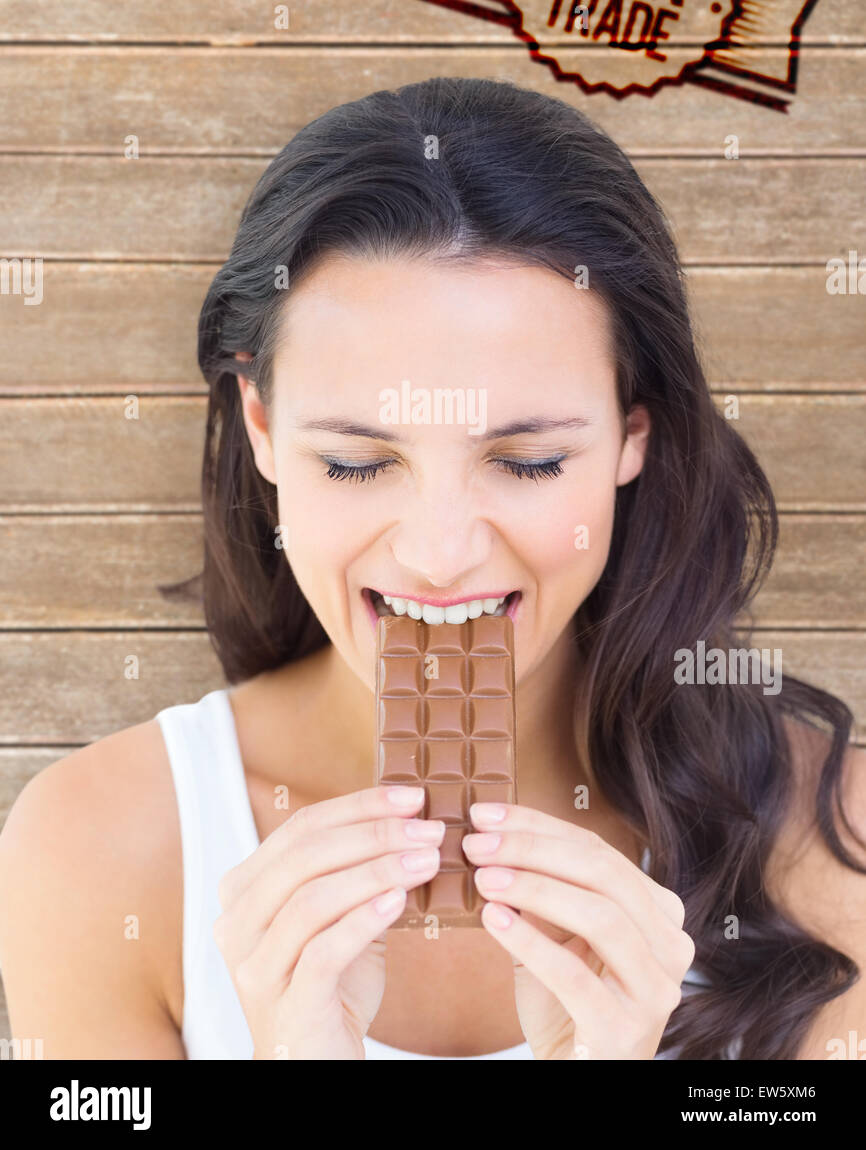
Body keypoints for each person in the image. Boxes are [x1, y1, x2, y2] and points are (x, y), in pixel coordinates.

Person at [0, 76, 864, 1060]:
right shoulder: (99, 849)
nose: (440, 552)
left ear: (632, 433)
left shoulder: (833, 851)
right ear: (263, 429)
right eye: (358, 462)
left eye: (528, 460)